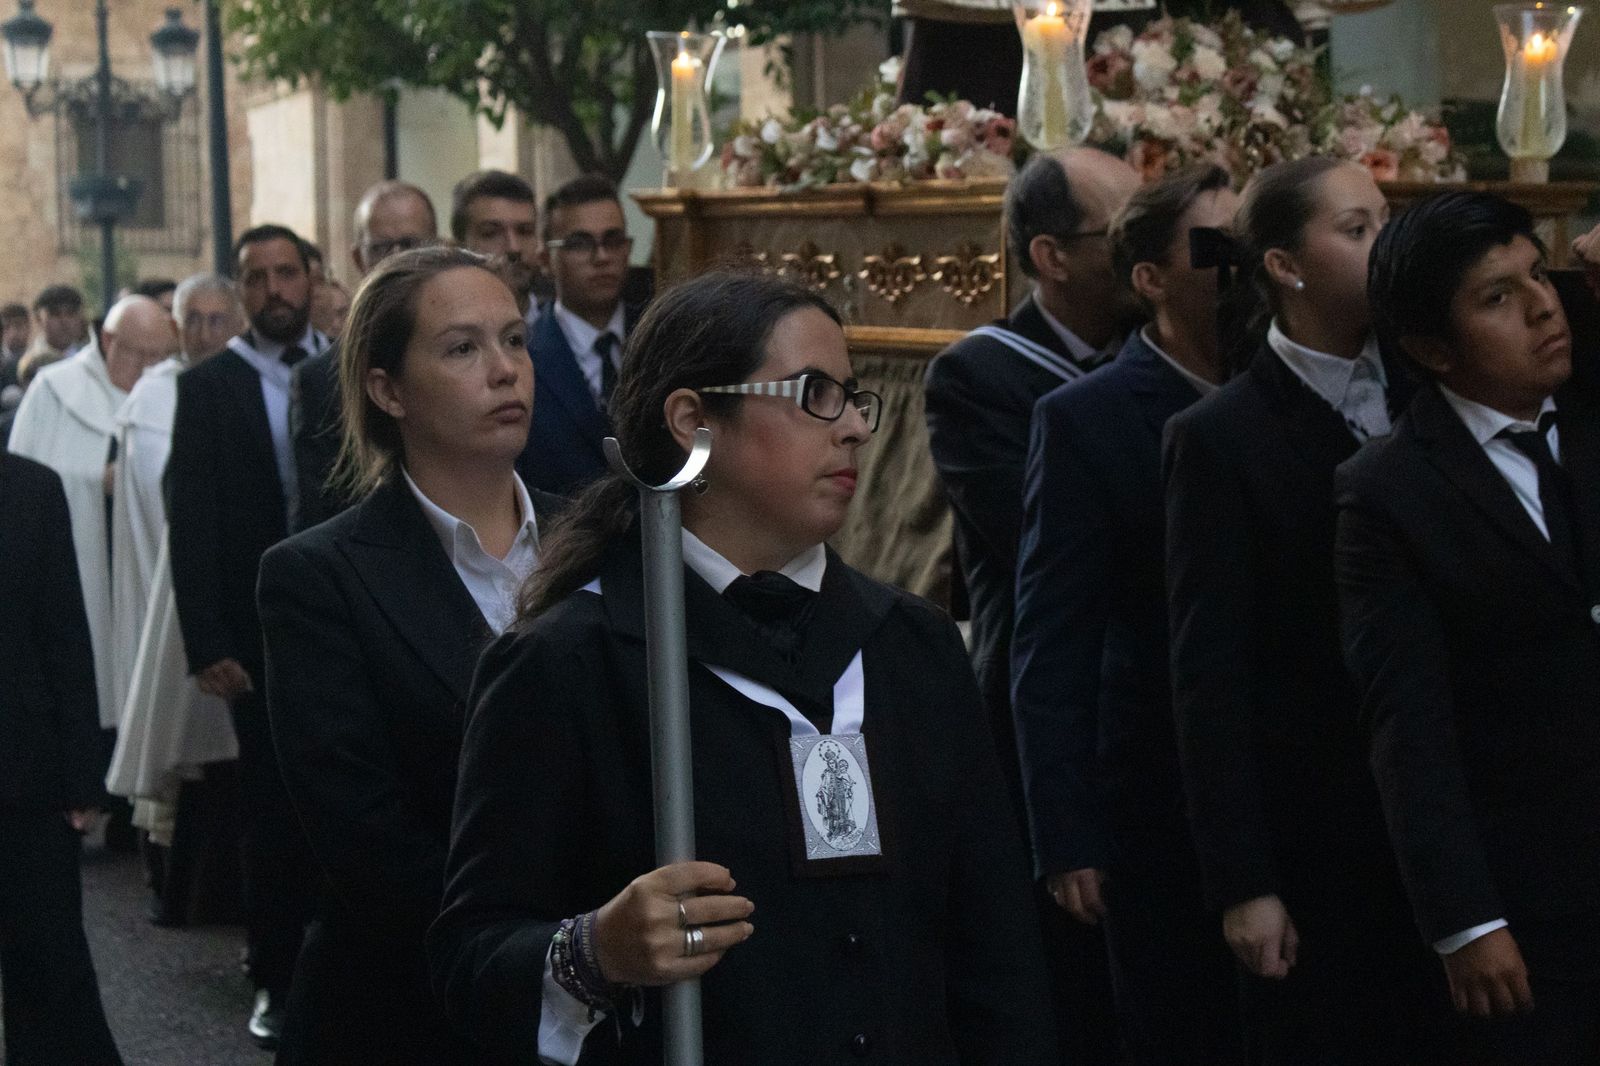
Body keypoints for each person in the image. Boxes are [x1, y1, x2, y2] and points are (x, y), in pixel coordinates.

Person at [429, 271, 1056, 1065]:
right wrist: (594, 951)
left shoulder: (912, 645)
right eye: (813, 394)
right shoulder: (570, 662)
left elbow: (996, 945)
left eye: (854, 397)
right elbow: (471, 958)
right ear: (694, 420)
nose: (855, 428)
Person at [1163, 156, 1459, 1063]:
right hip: (1321, 830)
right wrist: (1243, 881)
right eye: (1357, 229)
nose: (1387, 246)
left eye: (1386, 220)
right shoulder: (1220, 437)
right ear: (1286, 266)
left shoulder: (1436, 389)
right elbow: (1209, 674)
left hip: (1453, 812)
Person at [259, 246, 565, 1064]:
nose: (505, 371)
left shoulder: (603, 544)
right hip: (406, 1011)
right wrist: (550, 957)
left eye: (514, 340)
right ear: (386, 389)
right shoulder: (319, 577)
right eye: (463, 348)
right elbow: (364, 833)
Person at [1341, 191, 1600, 1064]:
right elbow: (1407, 724)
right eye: (1497, 297)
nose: (1542, 306)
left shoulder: (1590, 420)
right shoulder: (1389, 493)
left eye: (1538, 274)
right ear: (1429, 348)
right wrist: (1465, 921)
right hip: (1534, 900)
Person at [1012, 163, 1243, 1063]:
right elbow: (1052, 637)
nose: (1243, 264)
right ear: (1149, 278)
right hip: (1151, 789)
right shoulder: (1087, 417)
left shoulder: (1294, 392)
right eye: (1215, 246)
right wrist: (1065, 833)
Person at [923, 147, 1136, 1062]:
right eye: (1124, 235)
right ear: (1052, 257)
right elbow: (1053, 550)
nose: (1148, 252)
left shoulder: (1169, 353)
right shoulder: (981, 376)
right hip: (1051, 721)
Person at [167, 224, 329, 1048]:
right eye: (256, 278)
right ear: (240, 291)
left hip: (347, 622)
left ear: (312, 277)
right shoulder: (208, 390)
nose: (274, 290)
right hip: (257, 633)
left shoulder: (347, 368)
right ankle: (274, 971)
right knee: (269, 805)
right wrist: (208, 642)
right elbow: (188, 522)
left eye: (286, 273)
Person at [106, 274, 244, 927]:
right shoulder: (162, 397)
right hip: (182, 589)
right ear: (177, 329)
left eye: (222, 319)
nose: (209, 333)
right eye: (196, 320)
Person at [0, 452, 123, 1066]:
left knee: (49, 967)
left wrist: (82, 775)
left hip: (24, 776)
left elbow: (65, 638)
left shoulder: (31, 489)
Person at [8, 295, 175, 734]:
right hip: (80, 575)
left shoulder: (170, 390)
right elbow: (22, 486)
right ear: (108, 340)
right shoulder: (56, 389)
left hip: (146, 569)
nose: (152, 369)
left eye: (163, 356)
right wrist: (91, 479)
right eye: (143, 355)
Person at [292, 180, 439, 533]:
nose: (398, 259)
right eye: (382, 248)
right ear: (359, 258)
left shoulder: (476, 355)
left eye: (411, 244)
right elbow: (320, 509)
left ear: (438, 248)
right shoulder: (320, 379)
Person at [516, 174, 639, 496]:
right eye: (581, 244)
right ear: (545, 259)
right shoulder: (523, 355)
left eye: (613, 240)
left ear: (627, 248)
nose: (601, 257)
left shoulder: (663, 339)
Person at [25, 284, 88, 365]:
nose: (64, 321)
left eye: (71, 313)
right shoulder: (24, 364)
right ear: (38, 319)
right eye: (55, 314)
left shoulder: (92, 362)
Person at [0, 301, 31, 407]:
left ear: (28, 327)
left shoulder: (37, 359)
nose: (13, 333)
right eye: (7, 327)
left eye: (18, 326)